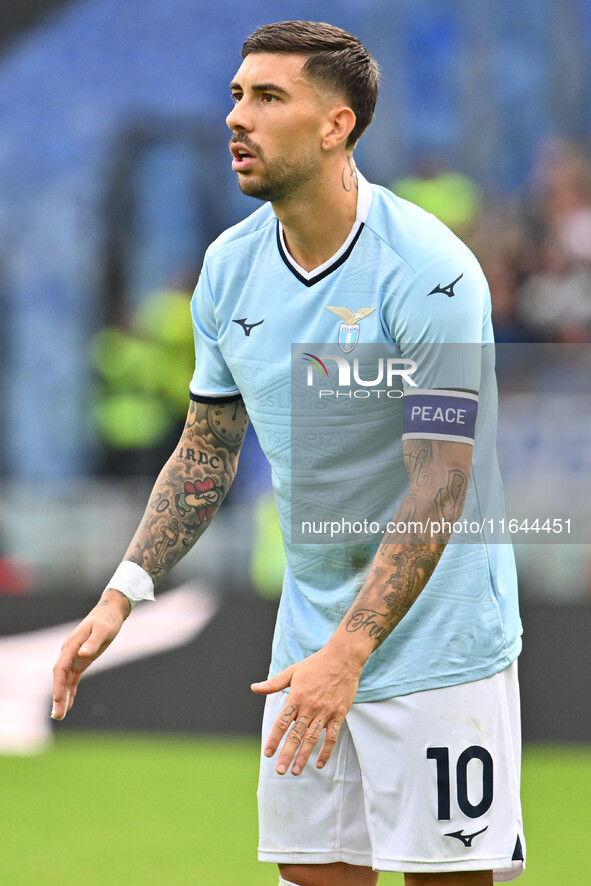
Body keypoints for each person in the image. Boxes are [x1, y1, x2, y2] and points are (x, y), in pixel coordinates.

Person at [52, 21, 525, 886]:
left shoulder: (430, 271)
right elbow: (205, 451)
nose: (237, 116)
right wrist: (124, 591)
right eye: (235, 95)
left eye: (268, 97)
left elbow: (440, 484)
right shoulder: (228, 270)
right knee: (314, 877)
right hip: (307, 640)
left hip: (438, 646)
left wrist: (352, 653)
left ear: (335, 125)